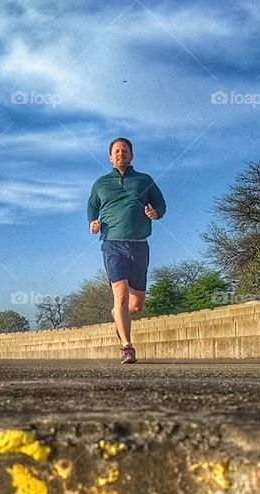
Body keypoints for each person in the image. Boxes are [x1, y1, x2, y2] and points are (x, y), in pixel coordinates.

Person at [87, 138, 166, 364]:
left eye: (125, 150)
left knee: (137, 304)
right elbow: (92, 206)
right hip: (112, 244)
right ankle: (127, 347)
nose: (121, 154)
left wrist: (155, 213)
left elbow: (161, 205)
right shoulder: (101, 184)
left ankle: (118, 317)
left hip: (139, 244)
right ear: (110, 157)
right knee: (120, 294)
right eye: (116, 151)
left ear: (132, 156)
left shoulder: (144, 180)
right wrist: (92, 222)